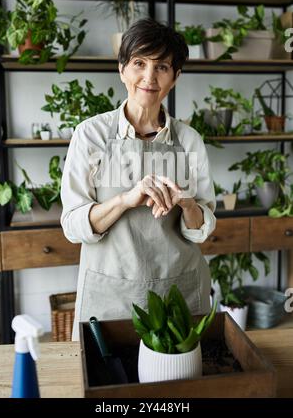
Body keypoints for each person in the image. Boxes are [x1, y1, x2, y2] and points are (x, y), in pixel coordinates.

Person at [60, 18, 216, 340]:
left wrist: (186, 203)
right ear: (122, 70)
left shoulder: (189, 141)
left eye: (162, 67)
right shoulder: (91, 136)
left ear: (175, 77)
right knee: (109, 385)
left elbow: (201, 228)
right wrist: (125, 200)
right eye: (139, 63)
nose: (149, 77)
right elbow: (73, 225)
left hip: (179, 291)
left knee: (180, 386)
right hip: (111, 295)